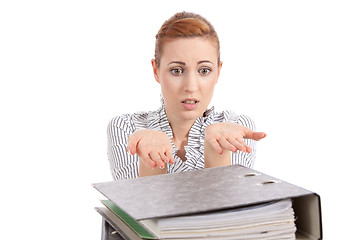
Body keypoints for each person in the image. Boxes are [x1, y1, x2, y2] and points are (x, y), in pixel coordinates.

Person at [107, 12, 266, 180]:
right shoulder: (126, 127)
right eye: (176, 70)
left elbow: (234, 205)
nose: (191, 87)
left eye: (204, 70)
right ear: (156, 71)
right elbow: (131, 204)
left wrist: (217, 152)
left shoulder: (236, 126)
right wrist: (150, 162)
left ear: (218, 72)